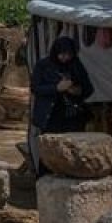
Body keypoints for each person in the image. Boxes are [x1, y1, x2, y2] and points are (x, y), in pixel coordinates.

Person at [29, 36, 94, 174]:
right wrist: (56, 88)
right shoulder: (44, 65)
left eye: (69, 54)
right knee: (50, 150)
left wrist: (77, 91)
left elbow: (88, 89)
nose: (65, 57)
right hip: (51, 115)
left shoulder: (76, 65)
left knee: (71, 151)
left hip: (72, 116)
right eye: (62, 54)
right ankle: (44, 183)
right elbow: (35, 88)